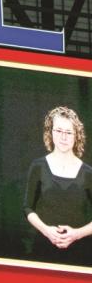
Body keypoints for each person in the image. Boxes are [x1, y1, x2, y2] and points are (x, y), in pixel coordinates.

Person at [24, 106, 92, 265]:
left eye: (69, 132)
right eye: (58, 131)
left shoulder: (89, 173)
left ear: (77, 136)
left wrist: (76, 234)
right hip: (42, 250)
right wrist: (47, 231)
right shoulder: (38, 166)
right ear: (50, 132)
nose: (63, 137)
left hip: (81, 254)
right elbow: (28, 208)